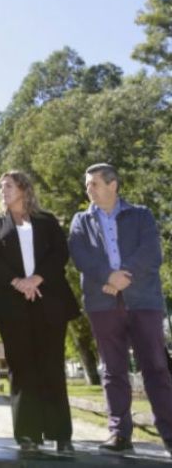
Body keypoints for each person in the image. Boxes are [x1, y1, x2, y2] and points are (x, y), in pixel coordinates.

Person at [69, 163, 172, 455]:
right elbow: (80, 255)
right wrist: (108, 277)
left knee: (156, 367)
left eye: (94, 184)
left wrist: (122, 277)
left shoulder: (141, 215)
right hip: (102, 304)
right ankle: (119, 434)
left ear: (113, 185)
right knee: (112, 370)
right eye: (87, 184)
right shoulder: (81, 220)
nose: (89, 189)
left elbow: (152, 253)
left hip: (144, 302)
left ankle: (169, 433)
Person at [0, 171, 79, 453]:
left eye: (8, 186)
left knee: (52, 366)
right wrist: (17, 282)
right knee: (21, 369)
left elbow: (60, 254)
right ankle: (28, 435)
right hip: (11, 304)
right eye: (1, 187)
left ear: (23, 189)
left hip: (49, 301)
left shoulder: (46, 221)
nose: (3, 191)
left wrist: (36, 279)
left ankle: (62, 435)